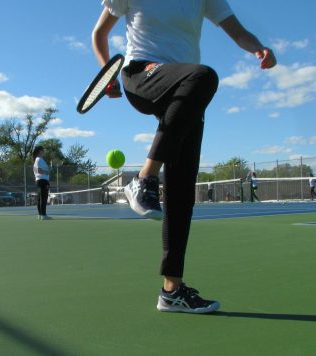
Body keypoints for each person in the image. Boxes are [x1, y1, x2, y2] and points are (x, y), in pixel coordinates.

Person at [92, 0, 276, 313]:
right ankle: (144, 178)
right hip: (141, 74)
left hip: (186, 94)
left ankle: (171, 291)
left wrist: (259, 48)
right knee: (204, 76)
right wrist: (106, 72)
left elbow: (238, 32)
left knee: (181, 191)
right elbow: (100, 33)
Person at [33, 146, 51, 220]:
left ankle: (40, 215)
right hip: (42, 180)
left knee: (40, 198)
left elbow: (37, 172)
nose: (44, 151)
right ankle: (43, 215)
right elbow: (39, 171)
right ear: (40, 151)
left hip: (41, 180)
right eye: (43, 150)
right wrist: (47, 172)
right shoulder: (39, 159)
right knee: (43, 198)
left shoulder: (39, 160)